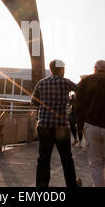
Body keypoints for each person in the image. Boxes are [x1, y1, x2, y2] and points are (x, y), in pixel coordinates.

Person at [32, 59, 80, 187]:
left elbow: (33, 102)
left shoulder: (41, 83)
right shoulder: (66, 82)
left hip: (44, 127)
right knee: (66, 159)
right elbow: (79, 90)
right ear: (61, 70)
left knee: (43, 159)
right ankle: (71, 185)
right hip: (61, 127)